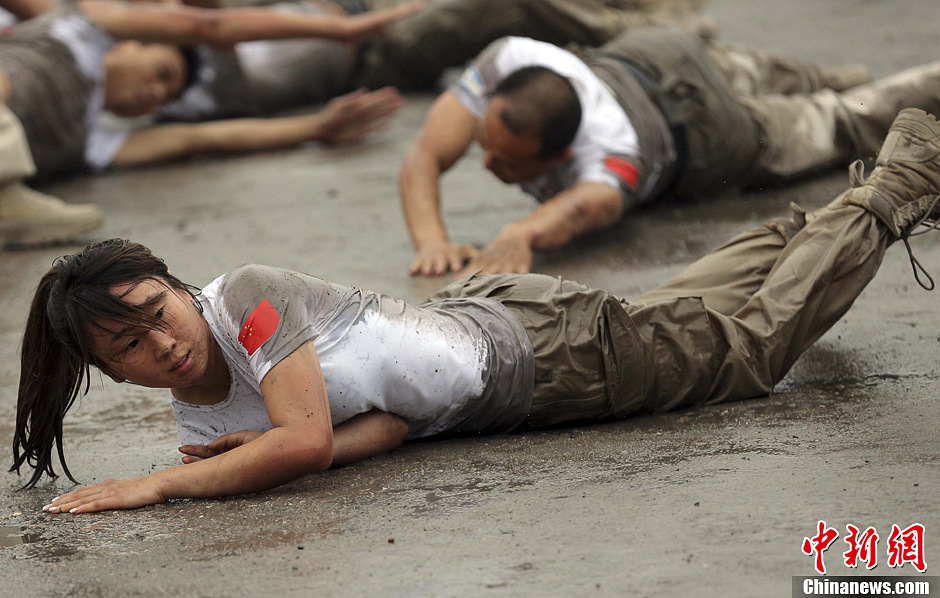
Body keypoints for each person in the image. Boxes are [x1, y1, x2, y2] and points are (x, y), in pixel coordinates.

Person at [13, 108, 940, 514]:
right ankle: (813, 229)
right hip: (505, 334)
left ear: (180, 285)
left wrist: (159, 485)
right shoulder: (205, 413)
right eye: (128, 347)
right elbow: (370, 430)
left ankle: (895, 185)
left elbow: (302, 445)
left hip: (539, 360)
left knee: (744, 350)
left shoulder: (246, 301)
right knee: (673, 314)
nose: (163, 345)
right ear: (111, 372)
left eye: (156, 312)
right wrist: (256, 451)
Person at [399, 28, 940, 278]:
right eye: (486, 143)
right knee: (771, 72)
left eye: (510, 162)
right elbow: (424, 153)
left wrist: (522, 233)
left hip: (710, 130)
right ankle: (828, 74)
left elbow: (583, 207)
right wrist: (432, 243)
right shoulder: (508, 58)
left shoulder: (612, 158)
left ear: (561, 158)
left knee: (845, 116)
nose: (488, 163)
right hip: (661, 53)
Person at [0, 0, 417, 247]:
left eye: (167, 96)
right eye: (161, 73)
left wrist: (314, 128)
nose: (155, 93)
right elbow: (207, 25)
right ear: (133, 44)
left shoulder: (102, 139)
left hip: (15, 175)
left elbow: (199, 137)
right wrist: (336, 28)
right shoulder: (76, 26)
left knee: (74, 217)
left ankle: (8, 196)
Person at [158, 0, 711, 121]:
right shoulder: (207, 88)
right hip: (373, 52)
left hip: (357, 17)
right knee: (495, 5)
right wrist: (348, 25)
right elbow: (213, 23)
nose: (151, 89)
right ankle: (641, 28)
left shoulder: (177, 41)